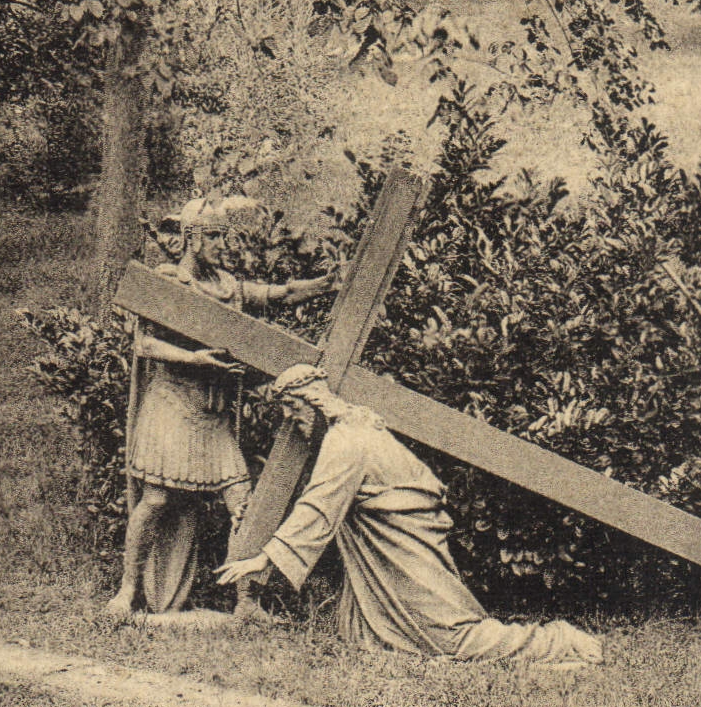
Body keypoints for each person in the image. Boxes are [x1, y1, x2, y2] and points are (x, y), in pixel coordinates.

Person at [215, 364, 603, 666]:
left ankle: (561, 641)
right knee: (367, 635)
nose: (293, 420)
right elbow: (328, 497)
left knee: (450, 638)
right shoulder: (355, 429)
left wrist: (263, 558)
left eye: (294, 410)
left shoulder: (345, 441)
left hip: (403, 541)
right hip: (396, 537)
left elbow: (318, 507)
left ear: (315, 403)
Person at [106, 195, 335, 618]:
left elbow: (279, 295)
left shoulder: (228, 287)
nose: (220, 245)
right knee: (156, 499)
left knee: (242, 503)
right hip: (173, 405)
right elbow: (144, 343)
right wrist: (195, 359)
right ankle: (126, 591)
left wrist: (321, 287)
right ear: (192, 239)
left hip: (213, 416)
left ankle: (247, 600)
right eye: (212, 237)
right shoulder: (171, 281)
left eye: (222, 237)